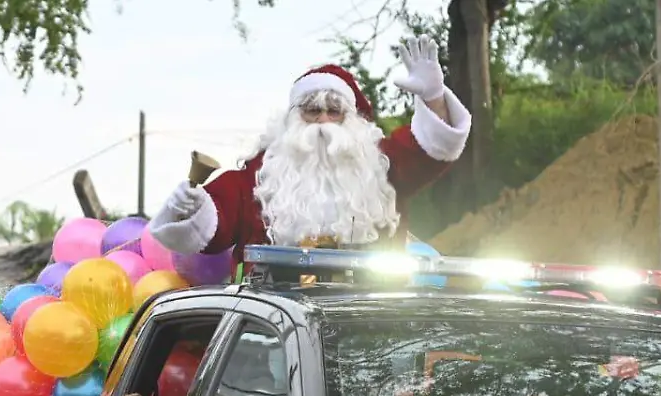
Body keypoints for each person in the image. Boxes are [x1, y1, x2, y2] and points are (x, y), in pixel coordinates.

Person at [147, 36, 472, 266]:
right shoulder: (262, 177)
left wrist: (433, 96)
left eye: (334, 111)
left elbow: (433, 147)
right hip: (272, 337)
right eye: (312, 111)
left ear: (354, 121)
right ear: (291, 119)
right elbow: (210, 225)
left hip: (373, 335)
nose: (323, 122)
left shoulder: (382, 167)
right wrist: (189, 208)